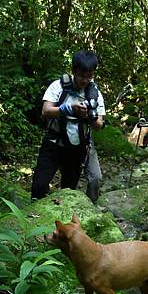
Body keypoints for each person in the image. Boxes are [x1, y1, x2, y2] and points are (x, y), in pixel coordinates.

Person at [31, 50, 105, 202]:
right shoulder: (58, 86)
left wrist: (88, 115)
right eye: (81, 76)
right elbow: (46, 111)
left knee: (68, 190)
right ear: (74, 71)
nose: (85, 80)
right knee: (39, 186)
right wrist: (68, 108)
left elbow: (99, 125)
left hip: (77, 147)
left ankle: (64, 222)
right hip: (54, 142)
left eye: (89, 76)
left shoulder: (95, 94)